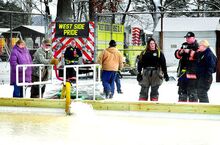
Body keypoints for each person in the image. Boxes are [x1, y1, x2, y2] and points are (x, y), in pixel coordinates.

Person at [174, 32, 199, 102]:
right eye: (186, 38)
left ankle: (193, 109)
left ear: (194, 38)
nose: (187, 39)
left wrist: (190, 52)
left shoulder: (197, 46)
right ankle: (181, 107)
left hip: (192, 73)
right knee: (182, 91)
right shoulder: (184, 45)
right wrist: (180, 52)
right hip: (183, 72)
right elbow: (177, 55)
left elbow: (199, 56)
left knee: (192, 93)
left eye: (189, 38)